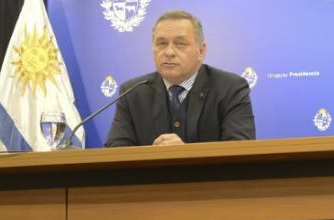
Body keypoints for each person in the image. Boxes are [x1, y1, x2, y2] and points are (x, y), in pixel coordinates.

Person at [105, 10, 255, 147]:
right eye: (162, 44)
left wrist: (185, 154)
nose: (169, 52)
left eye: (180, 44)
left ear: (201, 51)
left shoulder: (230, 88)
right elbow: (115, 153)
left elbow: (240, 151)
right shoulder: (133, 92)